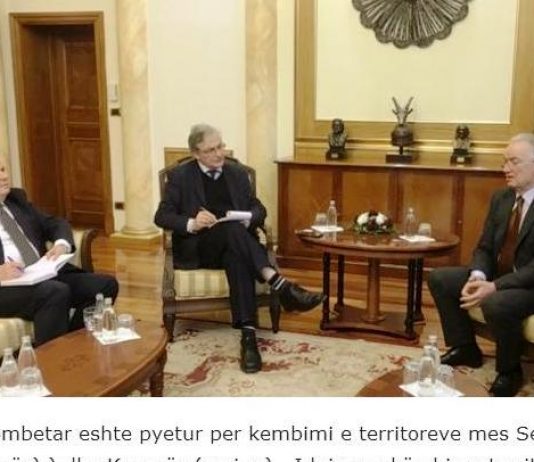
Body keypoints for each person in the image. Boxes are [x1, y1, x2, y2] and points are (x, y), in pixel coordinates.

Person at [154, 123, 324, 374]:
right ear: (196, 153)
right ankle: (280, 285)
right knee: (234, 233)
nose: (219, 154)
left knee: (236, 252)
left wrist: (248, 218)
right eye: (211, 150)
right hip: (201, 248)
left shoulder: (237, 173)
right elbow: (162, 216)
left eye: (220, 146)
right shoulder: (180, 176)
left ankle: (249, 338)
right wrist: (191, 222)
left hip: (235, 247)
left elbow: (259, 209)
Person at [428, 133, 534, 397]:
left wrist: (494, 287)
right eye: (504, 162)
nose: (506, 168)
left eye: (514, 162)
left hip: (529, 285)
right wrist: (477, 276)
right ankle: (465, 347)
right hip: (499, 276)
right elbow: (485, 246)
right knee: (441, 278)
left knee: (495, 302)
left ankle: (509, 371)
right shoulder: (502, 198)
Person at [0, 160, 119, 346]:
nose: (4, 176)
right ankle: (53, 361)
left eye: (3, 169)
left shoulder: (16, 200)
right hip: (6, 287)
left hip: (37, 273)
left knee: (105, 286)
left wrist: (61, 244)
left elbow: (55, 223)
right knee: (55, 292)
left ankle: (72, 345)